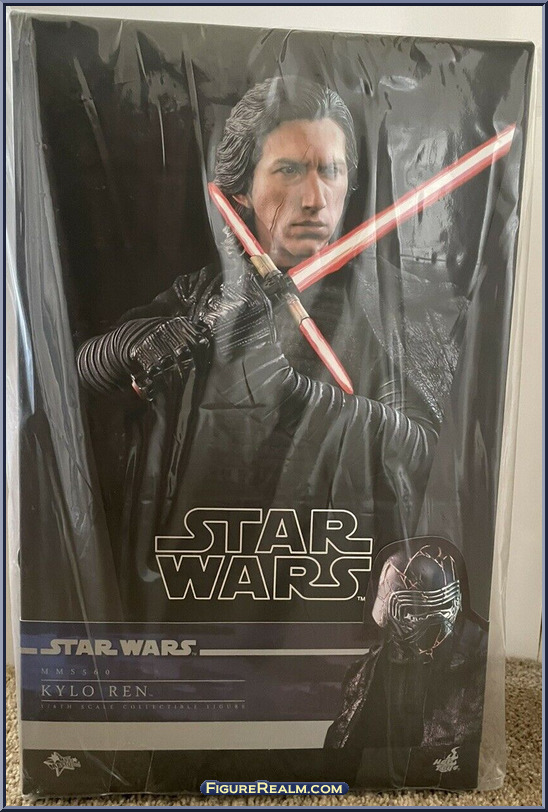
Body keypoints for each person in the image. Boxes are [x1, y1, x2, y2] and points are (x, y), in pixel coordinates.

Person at [76, 77, 456, 620]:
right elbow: (70, 401)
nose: (315, 198)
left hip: (327, 582)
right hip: (200, 574)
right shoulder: (199, 295)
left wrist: (285, 388)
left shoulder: (390, 310)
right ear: (240, 192)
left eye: (330, 171)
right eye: (289, 170)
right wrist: (125, 348)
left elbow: (425, 459)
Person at [324, 537, 488, 788]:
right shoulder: (366, 673)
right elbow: (339, 756)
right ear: (388, 608)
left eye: (443, 605)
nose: (432, 622)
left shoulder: (480, 661)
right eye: (414, 610)